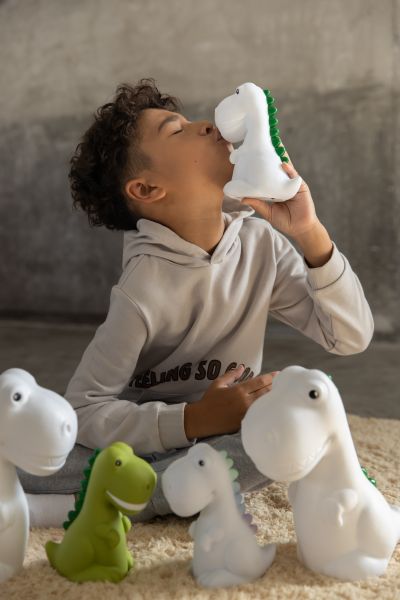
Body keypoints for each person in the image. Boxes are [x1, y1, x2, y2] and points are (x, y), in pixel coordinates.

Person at [20, 77, 374, 527]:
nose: (207, 125)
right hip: (149, 438)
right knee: (39, 450)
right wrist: (193, 420)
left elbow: (350, 336)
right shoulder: (141, 289)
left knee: (296, 426)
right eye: (177, 130)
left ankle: (130, 494)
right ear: (146, 190)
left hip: (223, 438)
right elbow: (85, 410)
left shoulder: (261, 246)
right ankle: (157, 491)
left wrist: (309, 232)